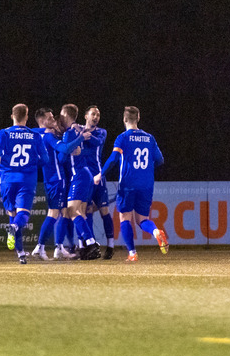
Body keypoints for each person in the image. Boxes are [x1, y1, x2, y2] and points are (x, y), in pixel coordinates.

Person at [94, 106, 168, 262]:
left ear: (124, 119)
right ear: (138, 118)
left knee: (125, 217)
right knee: (142, 219)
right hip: (146, 184)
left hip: (128, 183)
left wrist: (101, 174)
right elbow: (160, 159)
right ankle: (156, 232)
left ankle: (132, 253)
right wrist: (146, 170)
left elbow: (113, 159)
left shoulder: (123, 138)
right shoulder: (150, 138)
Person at [0, 104, 47, 264]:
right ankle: (16, 234)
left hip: (7, 179)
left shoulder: (4, 133)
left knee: (13, 216)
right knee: (22, 215)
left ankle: (21, 253)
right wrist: (32, 164)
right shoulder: (34, 135)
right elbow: (45, 159)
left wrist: (0, 162)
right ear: (26, 117)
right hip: (26, 179)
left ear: (12, 116)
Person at [31, 108, 83, 260]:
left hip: (48, 178)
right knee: (54, 213)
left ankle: (59, 247)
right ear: (42, 121)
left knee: (64, 212)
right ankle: (40, 247)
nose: (53, 120)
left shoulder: (35, 134)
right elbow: (64, 149)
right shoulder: (48, 136)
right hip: (57, 178)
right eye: (50, 118)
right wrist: (80, 138)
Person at [59, 103, 101, 260]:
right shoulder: (81, 131)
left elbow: (62, 157)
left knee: (72, 210)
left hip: (79, 175)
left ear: (65, 115)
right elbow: (94, 145)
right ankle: (84, 247)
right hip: (86, 174)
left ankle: (91, 243)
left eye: (61, 114)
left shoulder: (70, 133)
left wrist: (62, 149)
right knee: (81, 212)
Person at [82, 105, 115, 259]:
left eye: (98, 115)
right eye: (93, 114)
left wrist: (83, 134)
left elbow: (97, 142)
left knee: (104, 211)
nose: (96, 117)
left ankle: (111, 246)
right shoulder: (78, 131)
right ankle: (91, 246)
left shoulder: (101, 132)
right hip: (84, 178)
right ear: (86, 116)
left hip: (98, 176)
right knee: (87, 210)